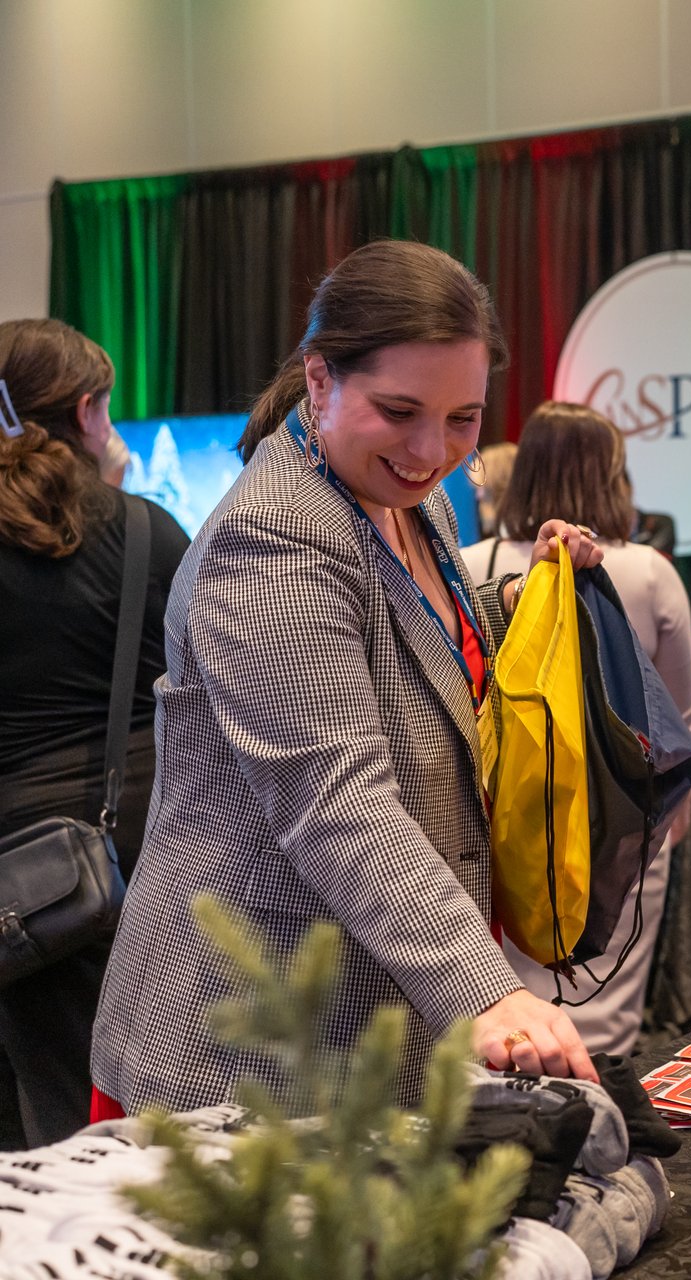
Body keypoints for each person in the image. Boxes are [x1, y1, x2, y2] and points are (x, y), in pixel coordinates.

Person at [92, 240, 610, 1117]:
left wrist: (518, 599)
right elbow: (337, 799)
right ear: (321, 380)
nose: (430, 449)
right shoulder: (275, 540)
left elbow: (407, 639)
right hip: (245, 1052)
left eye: (462, 418)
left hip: (358, 1030)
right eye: (400, 409)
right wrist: (483, 989)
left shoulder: (419, 499)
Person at [0, 320, 191, 1147]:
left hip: (11, 880)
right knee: (156, 1134)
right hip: (144, 864)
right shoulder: (148, 531)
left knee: (30, 1138)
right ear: (87, 412)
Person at [462, 400, 691, 1053]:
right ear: (611, 472)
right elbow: (680, 715)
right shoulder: (648, 571)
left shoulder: (470, 563)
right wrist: (673, 814)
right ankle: (602, 1117)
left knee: (511, 1004)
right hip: (613, 815)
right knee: (602, 998)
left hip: (505, 806)